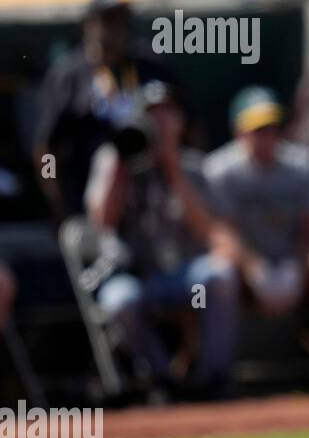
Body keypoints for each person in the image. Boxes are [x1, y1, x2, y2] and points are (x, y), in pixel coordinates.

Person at [85, 82, 239, 400]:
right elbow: (102, 221)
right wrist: (121, 161)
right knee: (120, 301)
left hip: (181, 276)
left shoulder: (193, 166)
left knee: (219, 275)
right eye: (151, 114)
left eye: (166, 113)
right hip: (135, 275)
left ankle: (213, 379)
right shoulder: (113, 159)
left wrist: (172, 168)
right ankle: (161, 381)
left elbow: (207, 231)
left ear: (180, 120)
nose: (159, 122)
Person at [203, 87, 309, 385]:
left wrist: (294, 266)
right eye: (256, 129)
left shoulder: (303, 164)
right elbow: (220, 231)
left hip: (293, 260)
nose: (265, 136)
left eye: (271, 127)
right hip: (247, 267)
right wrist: (254, 268)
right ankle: (215, 372)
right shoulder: (220, 170)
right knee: (216, 271)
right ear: (239, 132)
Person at [33, 0, 172, 223]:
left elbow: (187, 126)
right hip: (88, 200)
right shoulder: (69, 75)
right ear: (89, 25)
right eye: (107, 21)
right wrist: (56, 194)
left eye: (120, 21)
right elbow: (47, 147)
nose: (113, 30)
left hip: (150, 198)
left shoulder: (149, 66)